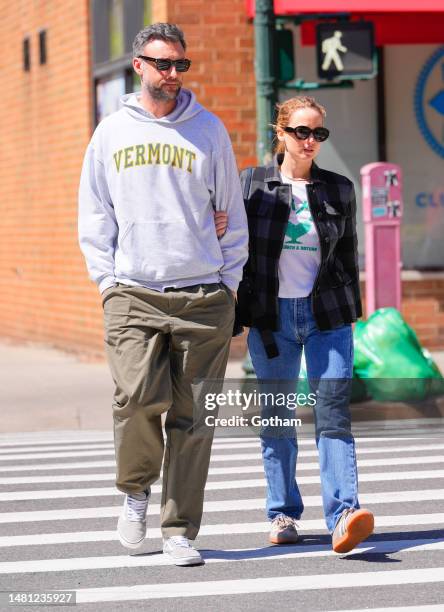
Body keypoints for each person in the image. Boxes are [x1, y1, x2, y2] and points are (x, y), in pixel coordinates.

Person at [78, 22, 248, 566]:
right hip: (133, 292)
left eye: (180, 64)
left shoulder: (209, 130)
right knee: (136, 399)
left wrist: (230, 282)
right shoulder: (110, 133)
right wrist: (106, 283)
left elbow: (232, 214)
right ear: (139, 65)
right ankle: (135, 489)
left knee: (195, 418)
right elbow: (95, 214)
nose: (172, 74)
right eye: (162, 64)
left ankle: (180, 530)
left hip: (203, 295)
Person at [235, 95, 374, 553]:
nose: (310, 140)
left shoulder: (338, 188)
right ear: (280, 133)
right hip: (273, 319)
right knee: (277, 415)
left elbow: (347, 258)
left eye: (318, 133)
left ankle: (344, 516)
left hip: (326, 319)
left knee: (332, 415)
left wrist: (351, 313)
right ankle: (282, 513)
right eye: (301, 131)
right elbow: (235, 246)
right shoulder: (252, 184)